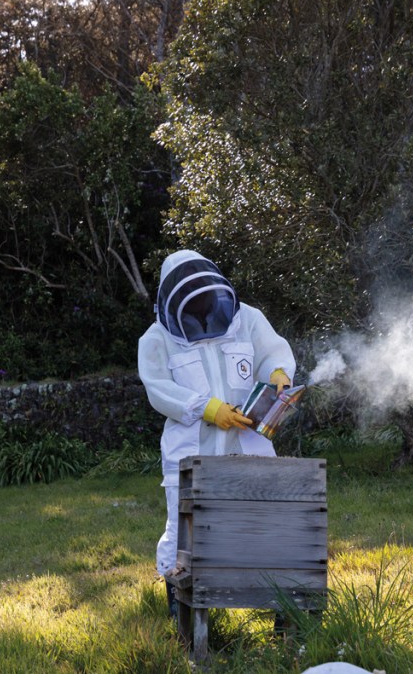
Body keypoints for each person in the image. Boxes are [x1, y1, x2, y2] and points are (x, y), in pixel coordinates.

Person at [137, 249, 296, 613]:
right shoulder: (155, 339)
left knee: (261, 519)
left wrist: (277, 373)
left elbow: (271, 352)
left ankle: (272, 599)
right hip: (191, 450)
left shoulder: (248, 319)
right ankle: (181, 603)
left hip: (248, 444)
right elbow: (158, 388)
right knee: (186, 529)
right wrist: (207, 408)